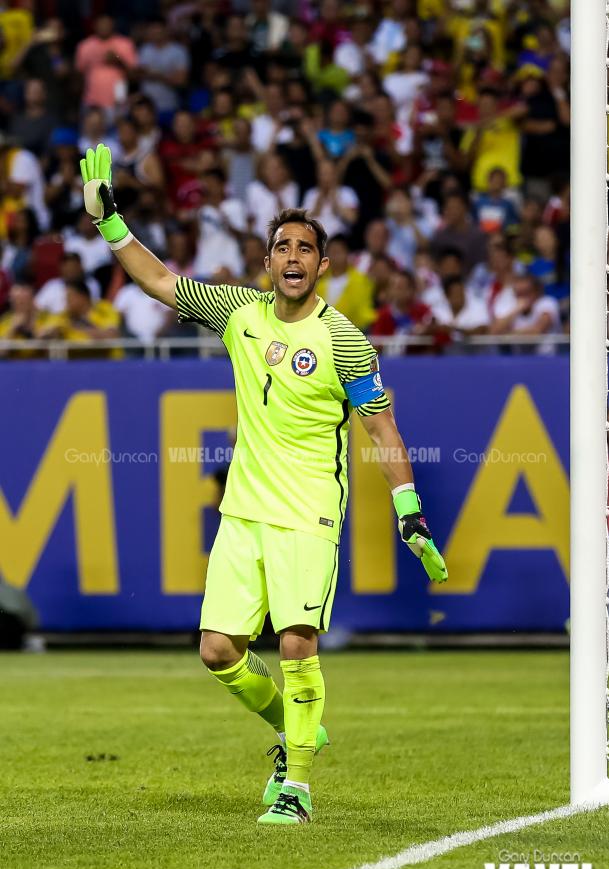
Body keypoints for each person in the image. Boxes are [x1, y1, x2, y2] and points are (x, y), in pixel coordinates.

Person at [80, 143, 448, 826]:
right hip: (243, 510)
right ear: (268, 260)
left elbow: (383, 429)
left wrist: (410, 511)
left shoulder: (345, 342)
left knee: (297, 643)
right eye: (283, 246)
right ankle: (294, 727)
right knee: (218, 650)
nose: (293, 257)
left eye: (306, 248)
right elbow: (160, 281)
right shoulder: (238, 315)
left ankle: (296, 785)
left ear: (322, 265)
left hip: (309, 512)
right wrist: (109, 223)